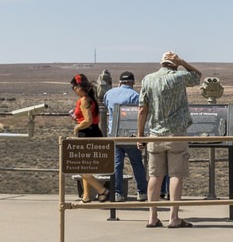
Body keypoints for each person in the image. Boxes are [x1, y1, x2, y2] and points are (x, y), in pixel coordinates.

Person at [137, 51, 203, 228]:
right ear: (174, 65)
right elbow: (197, 76)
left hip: (155, 134)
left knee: (155, 176)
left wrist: (140, 135)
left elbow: (142, 110)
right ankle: (174, 217)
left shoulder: (148, 80)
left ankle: (152, 216)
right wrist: (182, 62)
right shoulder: (179, 77)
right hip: (176, 134)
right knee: (176, 175)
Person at [103, 70, 147, 202]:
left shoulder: (109, 94)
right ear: (132, 82)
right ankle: (142, 192)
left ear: (119, 82)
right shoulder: (135, 95)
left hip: (114, 134)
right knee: (137, 163)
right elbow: (140, 112)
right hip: (131, 134)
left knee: (117, 164)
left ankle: (118, 193)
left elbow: (106, 107)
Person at [69, 74, 109, 202]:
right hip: (94, 132)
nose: (74, 90)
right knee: (86, 167)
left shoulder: (84, 100)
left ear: (79, 87)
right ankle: (86, 196)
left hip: (87, 133)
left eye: (74, 87)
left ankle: (101, 190)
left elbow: (88, 120)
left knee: (80, 167)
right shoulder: (91, 98)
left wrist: (78, 127)